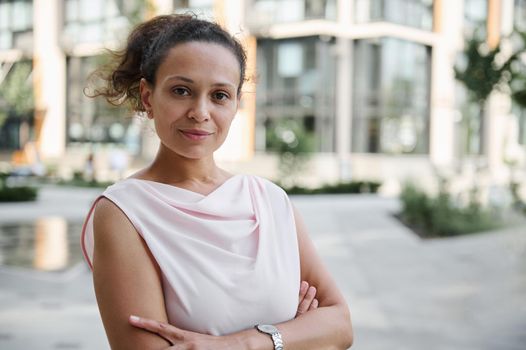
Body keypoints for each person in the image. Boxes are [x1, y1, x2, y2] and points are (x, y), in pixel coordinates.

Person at [81, 14, 353, 350]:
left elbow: (340, 324)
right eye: (182, 91)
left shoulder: (270, 200)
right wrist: (293, 334)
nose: (200, 111)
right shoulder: (123, 212)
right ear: (148, 97)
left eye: (220, 95)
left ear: (237, 103)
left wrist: (243, 343)